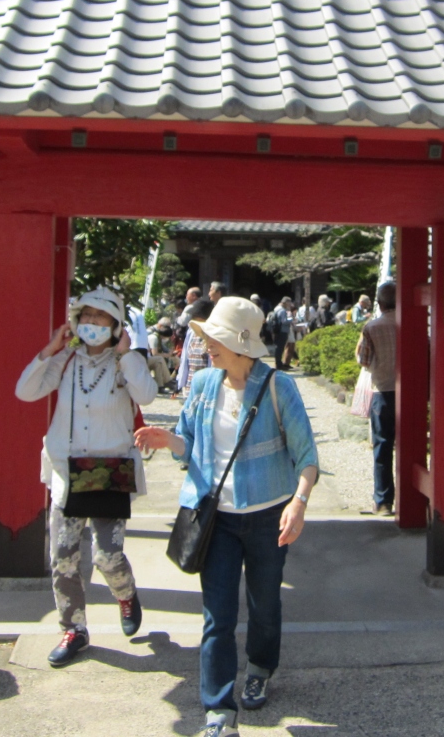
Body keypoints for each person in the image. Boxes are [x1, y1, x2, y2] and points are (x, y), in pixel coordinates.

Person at [135, 296, 319, 737]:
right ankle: (219, 711)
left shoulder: (277, 387)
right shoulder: (202, 384)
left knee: (264, 604)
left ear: (240, 343)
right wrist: (168, 440)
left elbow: (307, 456)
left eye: (213, 340)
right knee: (216, 616)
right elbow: (189, 445)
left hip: (268, 516)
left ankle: (259, 668)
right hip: (215, 518)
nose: (206, 347)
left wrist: (299, 502)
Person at [15, 287, 158, 667]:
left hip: (110, 470)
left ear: (116, 324)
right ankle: (73, 629)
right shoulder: (65, 360)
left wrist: (127, 354)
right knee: (63, 557)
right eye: (87, 316)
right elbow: (25, 391)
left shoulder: (125, 362)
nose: (93, 322)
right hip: (68, 470)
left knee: (107, 556)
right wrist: (50, 349)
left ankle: (125, 594)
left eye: (101, 317)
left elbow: (147, 395)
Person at [356, 281, 397, 515]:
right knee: (413, 446)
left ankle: (383, 501)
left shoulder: (372, 327)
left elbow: (363, 360)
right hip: (410, 393)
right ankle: (415, 500)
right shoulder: (413, 324)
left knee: (382, 447)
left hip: (382, 390)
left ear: (380, 304)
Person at [178, 298, 215, 393]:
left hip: (205, 387)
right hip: (190, 385)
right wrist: (181, 383)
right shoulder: (191, 332)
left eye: (196, 316)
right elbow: (185, 359)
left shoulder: (212, 335)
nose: (193, 319)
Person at [148, 316, 179, 391]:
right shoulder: (153, 337)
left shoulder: (158, 337)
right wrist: (167, 355)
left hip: (150, 358)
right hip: (145, 358)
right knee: (159, 359)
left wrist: (170, 352)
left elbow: (162, 348)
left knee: (158, 364)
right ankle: (168, 380)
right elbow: (154, 353)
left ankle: (160, 386)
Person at [269, 297, 294, 371]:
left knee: (278, 347)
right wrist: (291, 319)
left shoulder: (277, 309)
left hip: (277, 330)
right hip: (282, 331)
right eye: (289, 302)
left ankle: (278, 363)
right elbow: (284, 321)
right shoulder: (282, 311)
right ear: (285, 302)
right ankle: (279, 364)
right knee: (280, 348)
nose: (290, 304)